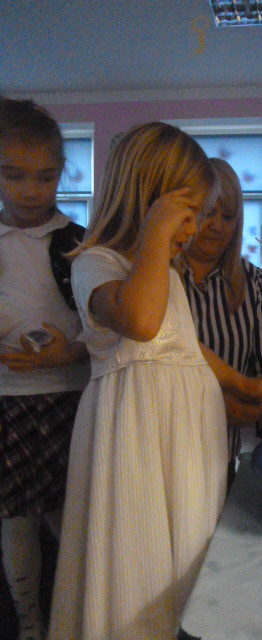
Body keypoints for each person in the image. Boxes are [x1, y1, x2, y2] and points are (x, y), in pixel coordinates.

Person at [47, 123, 262, 640]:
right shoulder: (95, 263)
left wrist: (242, 385)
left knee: (188, 552)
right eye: (189, 213)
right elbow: (140, 323)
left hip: (188, 443)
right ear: (150, 201)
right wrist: (157, 237)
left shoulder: (167, 275)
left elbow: (187, 347)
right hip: (137, 439)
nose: (195, 228)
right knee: (140, 552)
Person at [0, 98, 89, 640]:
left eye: (45, 176)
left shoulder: (79, 244)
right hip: (6, 402)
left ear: (61, 173)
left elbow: (107, 330)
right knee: (15, 521)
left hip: (68, 398)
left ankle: (75, 615)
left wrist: (69, 353)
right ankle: (29, 621)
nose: (30, 190)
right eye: (13, 176)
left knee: (70, 519)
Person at [177, 157, 262, 486]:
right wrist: (213, 406)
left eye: (227, 216)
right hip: (161, 447)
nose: (217, 226)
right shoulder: (159, 278)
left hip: (220, 454)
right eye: (207, 213)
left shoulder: (253, 283)